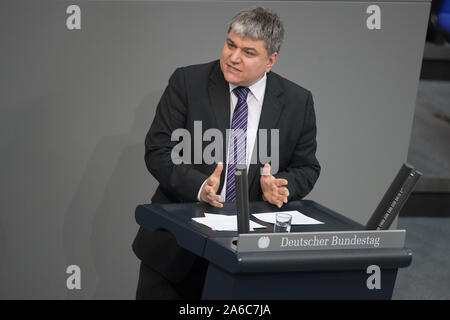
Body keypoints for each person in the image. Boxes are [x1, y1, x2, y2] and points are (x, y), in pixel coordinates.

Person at [132, 6, 321, 299]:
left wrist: (282, 186)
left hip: (249, 259)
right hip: (176, 254)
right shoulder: (187, 82)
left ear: (270, 60)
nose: (233, 57)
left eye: (248, 52)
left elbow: (306, 168)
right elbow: (158, 150)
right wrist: (198, 186)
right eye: (230, 45)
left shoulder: (298, 101)